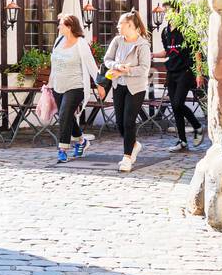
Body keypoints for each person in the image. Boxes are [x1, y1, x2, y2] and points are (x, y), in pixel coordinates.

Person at [103, 10, 152, 173]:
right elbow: (107, 60)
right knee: (119, 123)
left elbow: (145, 69)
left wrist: (126, 70)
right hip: (118, 86)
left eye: (120, 23)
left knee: (128, 122)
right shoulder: (117, 41)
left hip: (136, 88)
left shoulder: (143, 45)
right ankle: (134, 145)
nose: (118, 26)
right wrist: (116, 66)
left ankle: (127, 158)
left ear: (130, 25)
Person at [155, 0, 206, 152]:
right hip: (172, 72)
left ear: (177, 12)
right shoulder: (165, 32)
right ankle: (182, 141)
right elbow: (167, 52)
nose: (166, 14)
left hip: (186, 71)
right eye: (165, 12)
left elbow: (196, 52)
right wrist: (152, 55)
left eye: (168, 11)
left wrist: (198, 73)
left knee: (177, 104)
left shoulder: (187, 30)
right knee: (175, 107)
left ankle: (197, 125)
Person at [49, 14, 100, 164]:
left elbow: (91, 65)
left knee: (64, 113)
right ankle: (82, 142)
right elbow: (55, 64)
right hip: (58, 85)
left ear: (69, 27)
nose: (58, 27)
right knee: (67, 116)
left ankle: (62, 149)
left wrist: (100, 85)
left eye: (61, 25)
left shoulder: (81, 43)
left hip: (75, 85)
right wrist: (49, 83)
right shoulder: (59, 41)